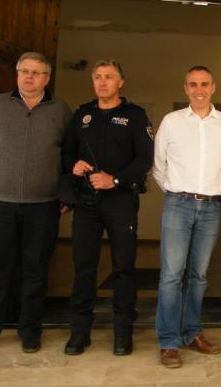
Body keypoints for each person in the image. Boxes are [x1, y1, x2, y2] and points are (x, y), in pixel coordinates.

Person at [0, 52, 71, 357]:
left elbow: (70, 159)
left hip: (43, 206)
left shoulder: (61, 111)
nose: (29, 77)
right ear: (17, 74)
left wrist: (66, 196)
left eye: (36, 72)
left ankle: (30, 331)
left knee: (35, 271)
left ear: (47, 78)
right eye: (24, 71)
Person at [62, 59, 153, 356]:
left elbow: (144, 159)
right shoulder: (82, 115)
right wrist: (73, 166)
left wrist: (114, 180)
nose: (102, 82)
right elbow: (66, 153)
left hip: (121, 201)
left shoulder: (135, 115)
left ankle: (122, 333)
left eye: (109, 77)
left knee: (123, 267)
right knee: (84, 267)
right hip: (86, 202)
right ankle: (79, 332)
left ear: (120, 82)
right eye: (98, 77)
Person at [153, 66, 221, 368]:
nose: (199, 90)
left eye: (204, 84)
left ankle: (191, 332)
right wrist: (177, 193)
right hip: (178, 204)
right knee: (171, 276)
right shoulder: (172, 121)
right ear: (185, 88)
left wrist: (215, 192)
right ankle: (168, 341)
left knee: (199, 276)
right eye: (193, 84)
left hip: (212, 207)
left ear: (213, 87)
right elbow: (159, 166)